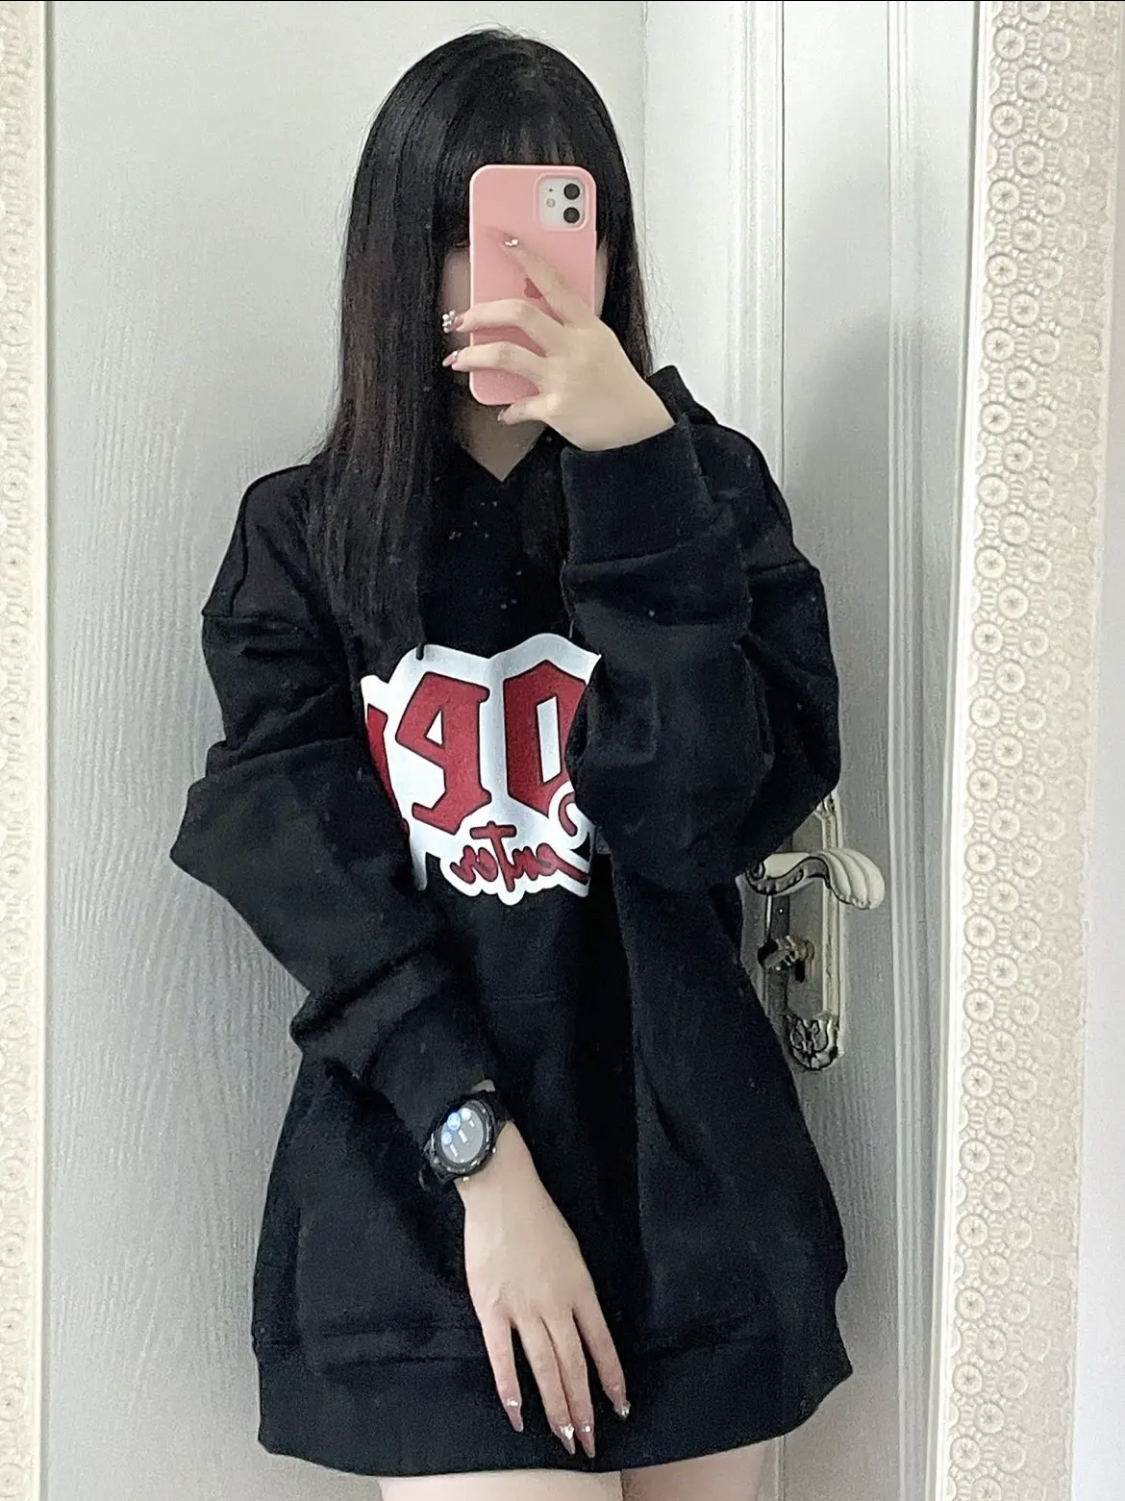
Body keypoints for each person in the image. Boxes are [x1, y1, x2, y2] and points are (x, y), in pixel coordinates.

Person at [170, 27, 852, 1501]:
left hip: (695, 1189)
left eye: (562, 222)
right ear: (399, 252)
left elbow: (693, 821)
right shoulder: (304, 539)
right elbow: (316, 888)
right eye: (469, 228)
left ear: (609, 242)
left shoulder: (705, 489)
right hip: (423, 1197)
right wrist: (482, 1160)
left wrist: (633, 467)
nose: (516, 276)